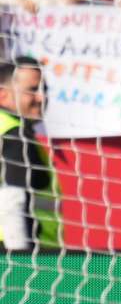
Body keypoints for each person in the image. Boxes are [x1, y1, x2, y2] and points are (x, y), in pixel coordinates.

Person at [0, 57, 60, 251]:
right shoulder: (16, 135)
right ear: (3, 96)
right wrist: (20, 264)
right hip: (17, 255)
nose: (42, 97)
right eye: (33, 90)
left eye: (45, 89)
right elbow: (11, 202)